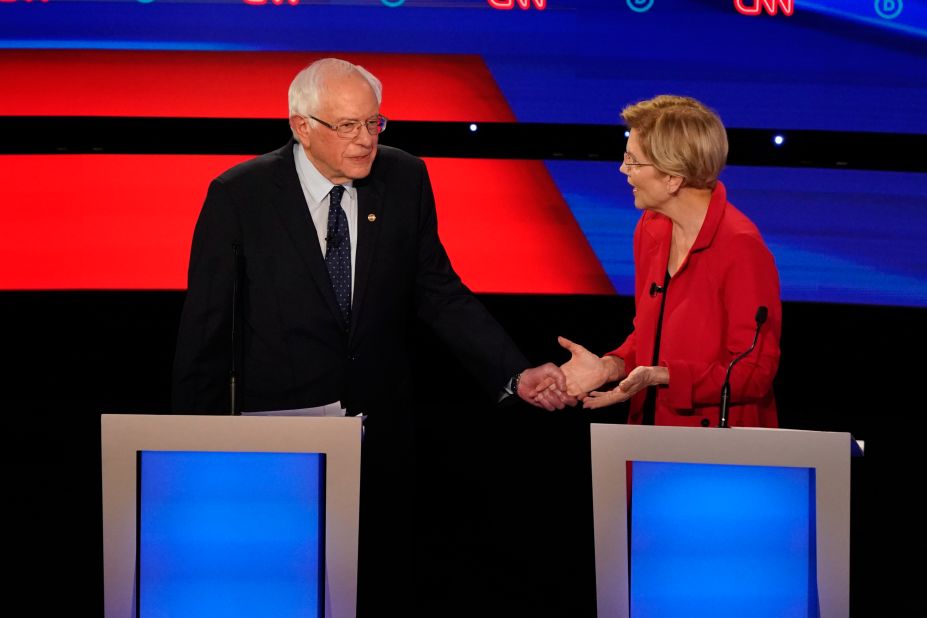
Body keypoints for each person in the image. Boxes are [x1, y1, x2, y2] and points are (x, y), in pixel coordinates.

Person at [171, 58, 572, 613]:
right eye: (347, 127)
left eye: (374, 124)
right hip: (276, 440)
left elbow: (438, 290)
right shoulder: (241, 194)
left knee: (373, 586)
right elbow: (207, 327)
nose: (365, 142)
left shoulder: (404, 176)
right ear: (301, 126)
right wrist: (195, 449)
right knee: (280, 588)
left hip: (379, 436)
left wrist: (515, 370)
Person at [559, 95, 781, 427]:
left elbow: (753, 372)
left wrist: (664, 376)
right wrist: (610, 366)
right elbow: (649, 336)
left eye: (633, 161)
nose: (623, 170)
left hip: (720, 446)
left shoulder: (740, 247)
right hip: (651, 431)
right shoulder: (651, 228)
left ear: (672, 178)